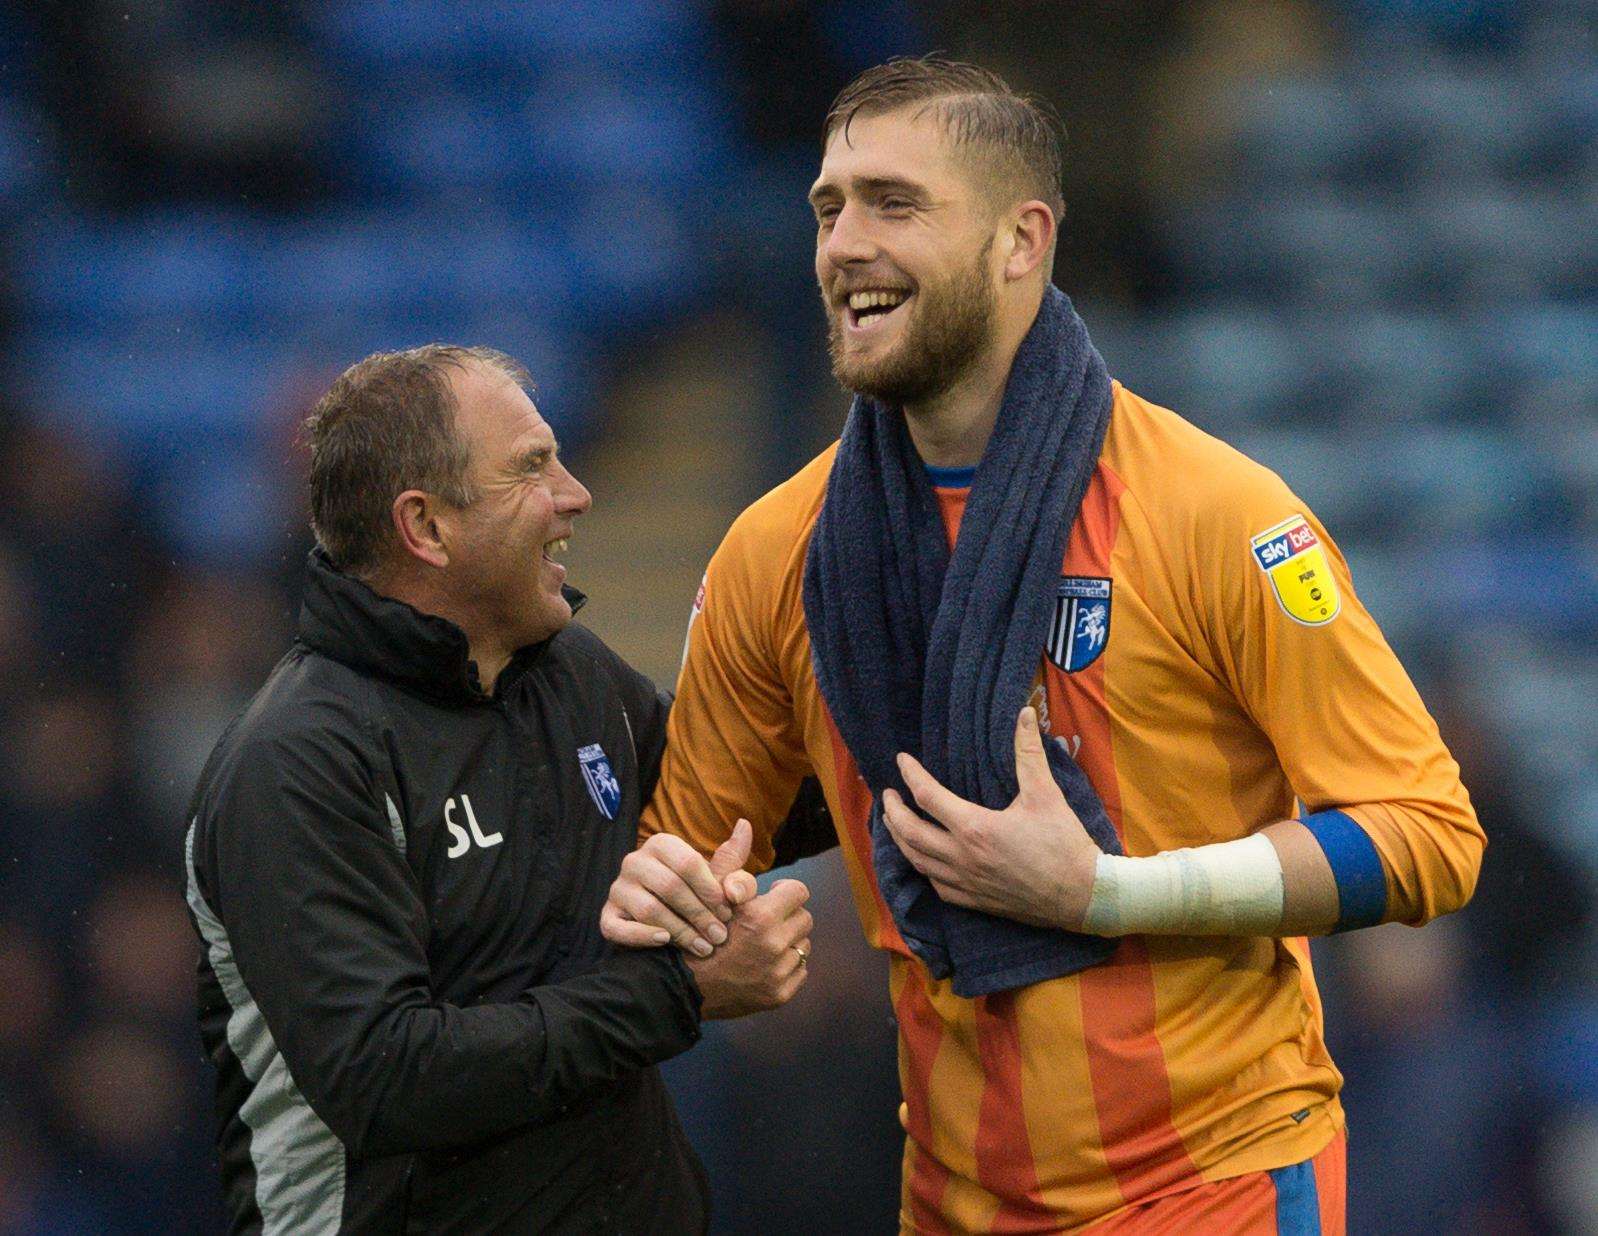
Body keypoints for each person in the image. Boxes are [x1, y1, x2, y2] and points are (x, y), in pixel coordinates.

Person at [602, 58, 1484, 1234]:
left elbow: (1425, 836)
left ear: (1022, 240)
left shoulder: (1217, 513)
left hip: (1212, 1185)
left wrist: (1102, 892)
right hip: (951, 1198)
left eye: (892, 203)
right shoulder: (778, 551)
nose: (841, 245)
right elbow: (686, 870)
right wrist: (695, 949)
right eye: (828, 207)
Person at [182, 345, 818, 1235]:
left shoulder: (570, 675)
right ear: (426, 527)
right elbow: (387, 1078)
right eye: (531, 468)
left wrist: (912, 727)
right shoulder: (298, 763)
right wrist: (682, 994)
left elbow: (744, 799)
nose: (575, 493)